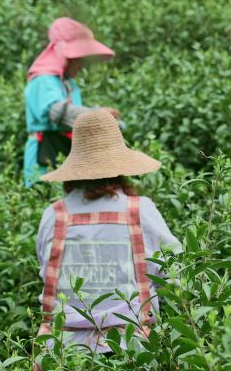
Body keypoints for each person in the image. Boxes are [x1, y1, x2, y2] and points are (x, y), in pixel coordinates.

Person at [34, 110, 183, 354]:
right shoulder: (139, 211)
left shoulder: (54, 215)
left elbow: (45, 270)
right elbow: (176, 271)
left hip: (64, 352)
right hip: (132, 348)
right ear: (120, 166)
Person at [24, 17, 119, 187]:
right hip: (45, 157)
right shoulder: (44, 79)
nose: (81, 64)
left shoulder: (67, 83)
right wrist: (98, 115)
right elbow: (56, 112)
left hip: (67, 157)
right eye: (78, 59)